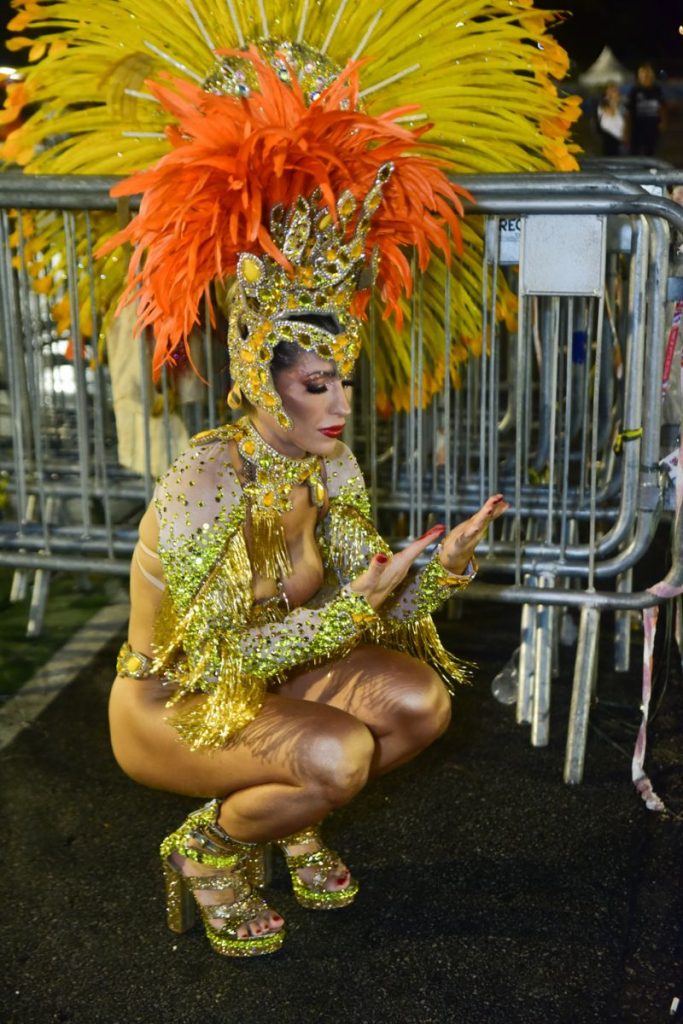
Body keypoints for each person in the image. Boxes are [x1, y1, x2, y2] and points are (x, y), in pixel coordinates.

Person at [103, 49, 508, 959]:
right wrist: (349, 616)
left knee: (417, 702)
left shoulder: (330, 464)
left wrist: (440, 571)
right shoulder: (206, 477)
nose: (341, 407)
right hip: (176, 701)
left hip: (269, 682)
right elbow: (215, 656)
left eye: (344, 383)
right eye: (319, 386)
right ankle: (212, 845)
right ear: (260, 379)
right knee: (338, 754)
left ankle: (282, 818)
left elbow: (375, 606)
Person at [627, 62, 667, 157]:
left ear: (652, 75)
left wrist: (663, 122)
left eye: (648, 73)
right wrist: (628, 130)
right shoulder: (634, 91)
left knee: (651, 152)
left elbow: (663, 107)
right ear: (639, 76)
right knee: (635, 153)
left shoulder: (657, 90)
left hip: (653, 128)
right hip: (638, 129)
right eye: (643, 74)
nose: (645, 76)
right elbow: (629, 112)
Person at [596, 81, 626, 157]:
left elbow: (628, 124)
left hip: (621, 143)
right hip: (607, 142)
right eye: (610, 91)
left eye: (615, 91)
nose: (613, 94)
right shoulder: (601, 108)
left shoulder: (623, 108)